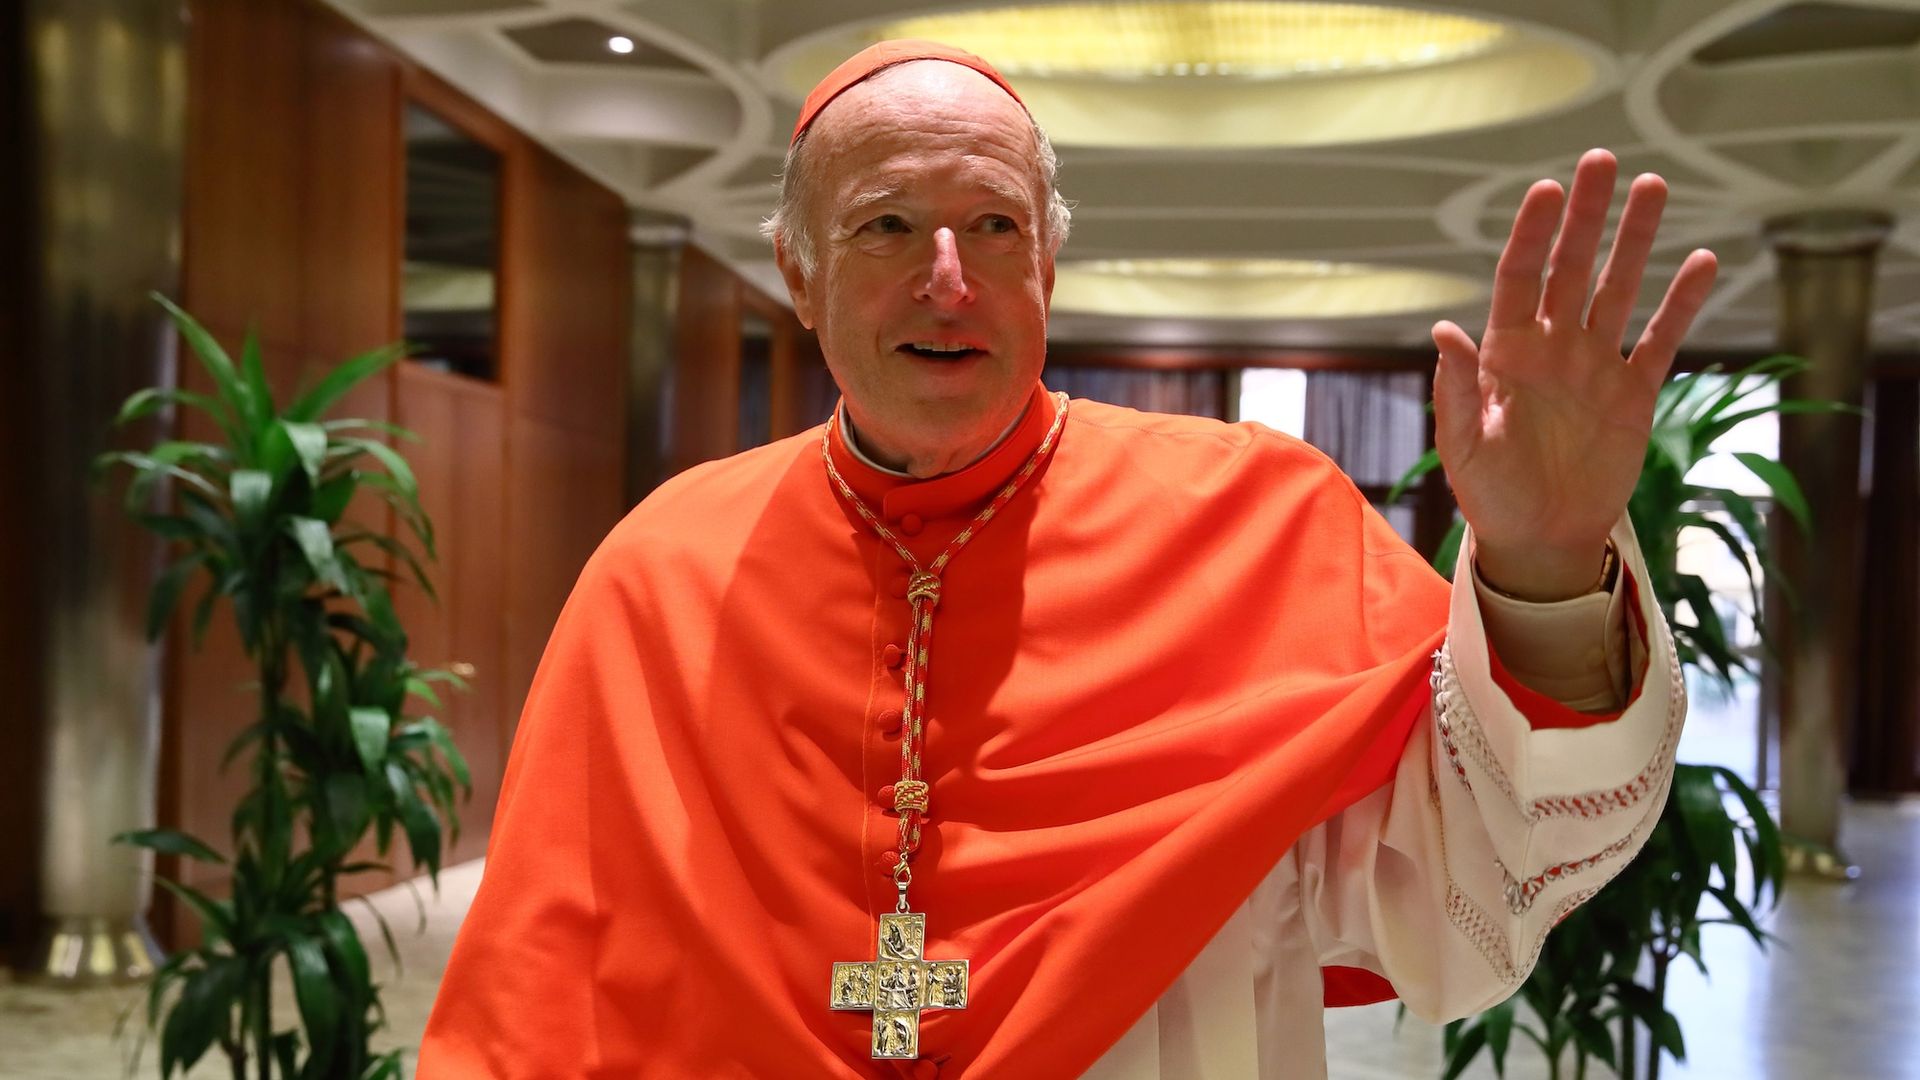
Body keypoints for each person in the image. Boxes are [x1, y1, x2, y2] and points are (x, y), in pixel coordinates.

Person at [418, 39, 1716, 1079]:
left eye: (994, 226)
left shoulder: (1257, 515)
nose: (948, 277)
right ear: (798, 275)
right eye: (885, 227)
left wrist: (1544, 570)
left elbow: (1467, 874)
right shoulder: (662, 572)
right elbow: (546, 989)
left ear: (1049, 259)